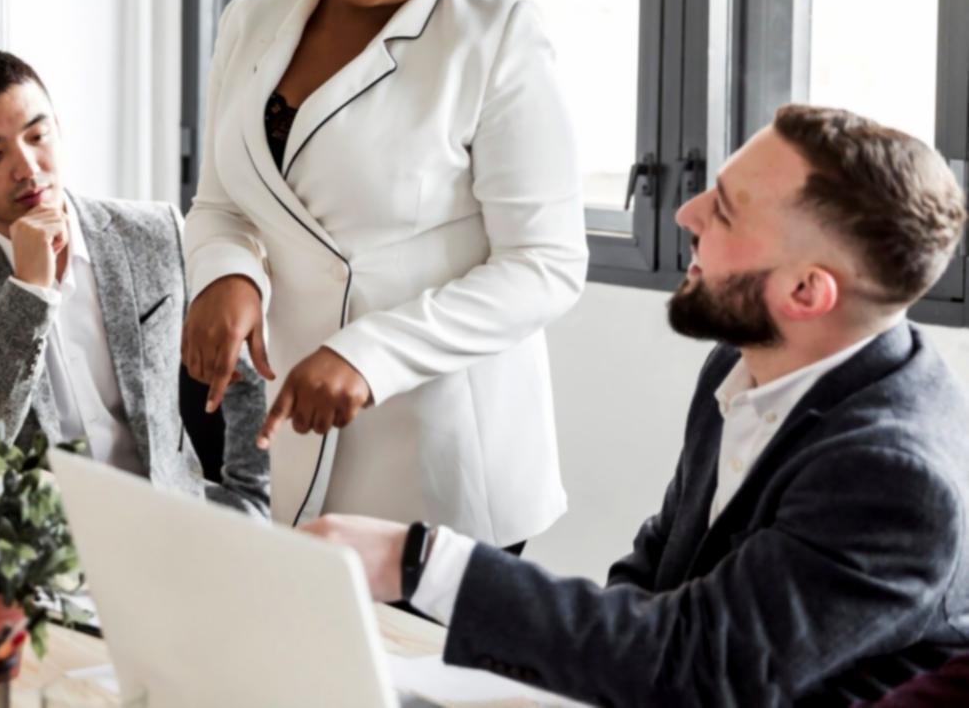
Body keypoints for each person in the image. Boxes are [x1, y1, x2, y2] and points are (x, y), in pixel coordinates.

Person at [305, 105, 969, 705]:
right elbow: (654, 572)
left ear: (805, 291)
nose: (686, 213)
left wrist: (420, 562)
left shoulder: (895, 480)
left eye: (726, 211)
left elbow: (698, 662)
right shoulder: (749, 361)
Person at [181, 0, 589, 538]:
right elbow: (223, 203)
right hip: (301, 432)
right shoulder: (251, 22)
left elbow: (544, 265)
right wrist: (225, 274)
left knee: (424, 671)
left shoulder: (497, 42)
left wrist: (371, 354)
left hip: (443, 444)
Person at [0, 50, 269, 516]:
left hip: (171, 519)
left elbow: (248, 377)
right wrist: (29, 294)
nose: (27, 167)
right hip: (40, 543)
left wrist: (253, 501)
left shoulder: (155, 232)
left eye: (37, 135)